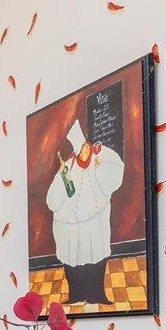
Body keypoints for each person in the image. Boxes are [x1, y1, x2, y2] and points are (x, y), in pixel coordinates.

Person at [44, 118, 125, 305]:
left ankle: (97, 295)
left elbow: (114, 175)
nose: (85, 151)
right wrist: (62, 175)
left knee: (96, 257)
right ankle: (76, 296)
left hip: (95, 222)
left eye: (86, 147)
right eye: (82, 149)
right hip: (69, 227)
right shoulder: (68, 167)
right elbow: (53, 201)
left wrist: (100, 154)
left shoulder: (99, 158)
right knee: (72, 260)